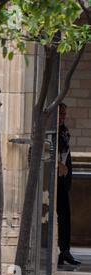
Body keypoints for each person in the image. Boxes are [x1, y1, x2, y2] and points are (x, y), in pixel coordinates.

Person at [57, 102, 80, 266]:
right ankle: (61, 251)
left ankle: (64, 250)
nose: (63, 118)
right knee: (58, 215)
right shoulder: (51, 131)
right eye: (60, 114)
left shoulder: (63, 131)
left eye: (64, 114)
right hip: (52, 180)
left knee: (65, 215)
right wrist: (59, 165)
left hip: (63, 179)